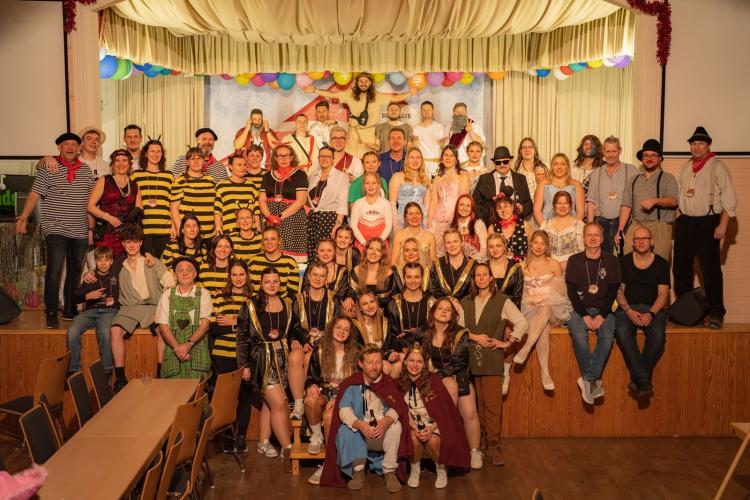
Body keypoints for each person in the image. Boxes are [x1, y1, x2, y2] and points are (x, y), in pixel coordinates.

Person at [16, 132, 94, 328]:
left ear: (79, 148)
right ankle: (51, 311)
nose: (70, 147)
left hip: (80, 229)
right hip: (55, 228)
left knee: (75, 272)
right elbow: (35, 194)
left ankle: (69, 308)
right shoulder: (48, 167)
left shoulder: (85, 170)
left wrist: (91, 228)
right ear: (59, 147)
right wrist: (24, 216)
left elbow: (90, 202)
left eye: (74, 144)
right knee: (54, 271)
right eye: (66, 144)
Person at [459, 263, 527, 465]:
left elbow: (522, 322)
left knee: (492, 406)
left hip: (492, 359)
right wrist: (475, 337)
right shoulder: (465, 302)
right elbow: (458, 330)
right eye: (477, 275)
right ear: (473, 279)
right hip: (469, 360)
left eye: (485, 275)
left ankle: (493, 446)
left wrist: (508, 342)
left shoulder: (502, 301)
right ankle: (477, 445)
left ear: (491, 278)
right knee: (475, 407)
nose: (481, 278)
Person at [320, 345, 412, 491]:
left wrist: (385, 422)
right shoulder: (351, 383)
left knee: (396, 426)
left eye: (378, 362)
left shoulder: (388, 383)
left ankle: (389, 471)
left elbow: (397, 408)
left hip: (382, 434)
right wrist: (360, 424)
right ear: (361, 363)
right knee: (345, 429)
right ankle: (358, 471)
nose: (374, 367)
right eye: (370, 363)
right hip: (360, 435)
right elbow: (344, 410)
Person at [236, 267, 303, 466]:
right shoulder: (250, 305)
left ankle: (263, 442)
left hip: (282, 359)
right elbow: (241, 338)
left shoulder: (287, 304)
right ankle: (287, 448)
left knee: (269, 404)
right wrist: (244, 365)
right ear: (261, 283)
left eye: (275, 281)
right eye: (267, 281)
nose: (272, 285)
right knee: (279, 403)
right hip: (260, 361)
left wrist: (295, 339)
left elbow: (294, 329)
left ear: (280, 283)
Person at [675, 127, 737, 328]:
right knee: (680, 270)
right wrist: (679, 220)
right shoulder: (685, 168)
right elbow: (679, 197)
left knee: (710, 271)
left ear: (708, 145)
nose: (696, 147)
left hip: (708, 222)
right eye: (693, 143)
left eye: (701, 143)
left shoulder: (717, 166)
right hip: (685, 222)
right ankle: (685, 312)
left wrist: (722, 225)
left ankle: (716, 312)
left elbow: (729, 199)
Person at [414, 297, 482, 469]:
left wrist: (437, 375)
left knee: (470, 412)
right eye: (440, 308)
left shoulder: (460, 333)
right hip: (432, 376)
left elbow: (458, 363)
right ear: (433, 312)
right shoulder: (423, 331)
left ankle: (474, 451)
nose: (444, 311)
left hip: (457, 375)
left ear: (452, 315)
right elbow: (410, 345)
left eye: (448, 309)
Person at [110, 224, 175, 391]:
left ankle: (161, 372)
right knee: (115, 331)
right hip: (129, 308)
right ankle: (120, 377)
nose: (132, 245)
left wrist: (164, 303)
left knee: (162, 329)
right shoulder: (118, 265)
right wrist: (89, 274)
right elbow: (102, 273)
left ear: (140, 243)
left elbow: (170, 283)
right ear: (123, 244)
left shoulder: (152, 262)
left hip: (152, 307)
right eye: (128, 241)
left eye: (135, 241)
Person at [565, 223, 621, 404]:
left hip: (605, 310)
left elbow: (613, 291)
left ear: (602, 239)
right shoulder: (574, 260)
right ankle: (593, 381)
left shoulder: (611, 261)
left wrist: (602, 315)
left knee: (607, 337)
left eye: (597, 235)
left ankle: (587, 378)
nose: (593, 238)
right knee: (579, 337)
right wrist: (585, 316)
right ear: (584, 238)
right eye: (589, 235)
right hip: (578, 310)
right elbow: (572, 293)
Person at [400, 345, 470, 488]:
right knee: (413, 437)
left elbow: (444, 413)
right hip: (414, 424)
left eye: (419, 361)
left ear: (424, 365)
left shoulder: (433, 380)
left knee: (431, 440)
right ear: (405, 362)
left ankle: (441, 468)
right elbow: (403, 411)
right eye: (411, 360)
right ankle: (415, 469)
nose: (414, 365)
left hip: (435, 425)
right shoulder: (401, 382)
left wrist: (431, 429)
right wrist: (414, 427)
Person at [304, 315, 361, 484]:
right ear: (331, 329)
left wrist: (340, 398)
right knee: (310, 400)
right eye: (338, 327)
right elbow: (310, 376)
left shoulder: (356, 352)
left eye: (346, 329)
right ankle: (317, 437)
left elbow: (360, 381)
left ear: (350, 334)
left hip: (347, 395)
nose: (342, 331)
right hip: (325, 392)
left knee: (330, 416)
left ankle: (328, 463)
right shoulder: (320, 350)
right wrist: (311, 385)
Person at [308, 72, 417, 158]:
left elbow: (395, 98)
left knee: (368, 163)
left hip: (369, 135)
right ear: (357, 83)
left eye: (366, 81)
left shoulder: (377, 96)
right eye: (361, 81)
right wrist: (315, 90)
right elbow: (333, 94)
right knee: (350, 164)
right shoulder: (350, 94)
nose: (363, 83)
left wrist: (410, 93)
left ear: (370, 83)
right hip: (353, 135)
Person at [615, 227, 670, 397]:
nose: (641, 241)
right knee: (622, 331)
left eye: (644, 238)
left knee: (658, 335)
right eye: (637, 239)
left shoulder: (662, 263)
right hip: (628, 308)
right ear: (633, 243)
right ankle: (644, 379)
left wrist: (651, 314)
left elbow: (663, 294)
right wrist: (628, 311)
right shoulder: (624, 262)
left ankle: (639, 379)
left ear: (651, 241)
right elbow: (619, 290)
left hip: (653, 309)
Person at [515, 231, 571, 391]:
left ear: (547, 246)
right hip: (530, 308)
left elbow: (561, 293)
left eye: (543, 243)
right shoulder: (521, 265)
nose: (539, 246)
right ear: (530, 244)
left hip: (553, 308)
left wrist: (545, 298)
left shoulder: (553, 264)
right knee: (543, 327)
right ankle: (545, 374)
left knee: (545, 309)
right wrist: (531, 300)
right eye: (536, 242)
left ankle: (526, 348)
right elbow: (519, 293)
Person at [209, 260, 253, 453]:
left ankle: (240, 436)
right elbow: (214, 328)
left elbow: (254, 329)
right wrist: (239, 324)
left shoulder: (253, 299)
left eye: (241, 274)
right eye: (234, 274)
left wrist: (233, 321)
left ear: (247, 276)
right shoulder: (219, 297)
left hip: (245, 355)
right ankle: (228, 437)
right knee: (226, 398)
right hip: (222, 354)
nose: (238, 278)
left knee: (245, 396)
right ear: (229, 276)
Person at [289, 261, 341, 420]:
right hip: (305, 341)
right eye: (315, 275)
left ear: (326, 278)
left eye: (322, 276)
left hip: (328, 343)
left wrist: (319, 341)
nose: (318, 279)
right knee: (294, 356)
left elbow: (339, 325)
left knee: (308, 357)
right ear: (308, 276)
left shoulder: (333, 298)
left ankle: (309, 403)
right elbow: (294, 326)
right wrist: (300, 340)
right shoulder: (299, 299)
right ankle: (298, 403)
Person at [615, 139, 678, 262]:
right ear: (642, 158)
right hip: (636, 225)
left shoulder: (668, 178)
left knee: (659, 264)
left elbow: (673, 201)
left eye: (653, 155)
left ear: (659, 159)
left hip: (660, 227)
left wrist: (655, 201)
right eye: (646, 155)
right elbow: (626, 206)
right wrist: (620, 230)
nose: (649, 158)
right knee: (628, 261)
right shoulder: (633, 180)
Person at [155, 256, 211, 379]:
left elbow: (205, 325)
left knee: (197, 389)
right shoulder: (167, 295)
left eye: (189, 270)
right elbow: (163, 326)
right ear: (175, 274)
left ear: (195, 274)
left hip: (197, 351)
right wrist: (177, 348)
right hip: (173, 352)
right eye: (180, 270)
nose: (184, 273)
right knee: (173, 390)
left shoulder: (204, 294)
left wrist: (187, 345)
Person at [66, 245, 118, 375]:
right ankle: (74, 370)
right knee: (72, 331)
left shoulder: (116, 275)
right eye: (100, 260)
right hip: (90, 313)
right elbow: (73, 298)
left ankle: (107, 369)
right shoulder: (90, 277)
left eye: (107, 260)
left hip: (108, 312)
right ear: (95, 261)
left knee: (105, 332)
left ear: (111, 261)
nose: (103, 263)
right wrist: (87, 296)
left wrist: (114, 300)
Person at [586, 136, 638, 254]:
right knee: (601, 257)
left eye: (614, 151)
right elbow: (591, 202)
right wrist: (590, 226)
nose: (610, 155)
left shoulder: (632, 170)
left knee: (623, 257)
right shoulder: (597, 173)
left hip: (624, 223)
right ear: (603, 152)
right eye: (608, 151)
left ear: (620, 151)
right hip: (601, 222)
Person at [486, 233, 524, 394]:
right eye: (491, 246)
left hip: (510, 311)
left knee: (509, 334)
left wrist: (509, 323)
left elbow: (517, 295)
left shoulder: (515, 267)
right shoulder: (483, 267)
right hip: (488, 310)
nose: (495, 249)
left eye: (498, 245)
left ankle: (506, 373)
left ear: (504, 247)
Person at [259, 145, 309, 262]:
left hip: (292, 219)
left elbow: (301, 201)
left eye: (286, 155)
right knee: (271, 252)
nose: (283, 158)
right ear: (275, 158)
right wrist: (269, 216)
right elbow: (262, 200)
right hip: (269, 219)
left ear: (292, 157)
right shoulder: (267, 176)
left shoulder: (300, 174)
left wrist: (280, 217)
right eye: (280, 156)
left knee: (289, 257)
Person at [87, 149, 142, 257]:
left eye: (124, 160)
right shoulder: (104, 180)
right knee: (105, 264)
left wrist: (132, 217)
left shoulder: (135, 185)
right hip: (106, 234)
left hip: (127, 237)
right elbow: (90, 206)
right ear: (112, 164)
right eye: (117, 160)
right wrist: (107, 217)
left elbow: (139, 208)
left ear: (129, 164)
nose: (121, 164)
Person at [386, 262, 434, 376]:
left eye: (417, 277)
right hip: (401, 352)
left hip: (427, 353)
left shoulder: (432, 302)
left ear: (422, 278)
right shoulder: (393, 303)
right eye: (409, 277)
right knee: (397, 367)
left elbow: (434, 330)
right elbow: (391, 334)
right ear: (404, 278)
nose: (413, 281)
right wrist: (400, 352)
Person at [131, 139, 174, 258]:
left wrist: (174, 226)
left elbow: (172, 203)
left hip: (165, 230)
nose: (156, 154)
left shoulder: (169, 176)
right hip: (144, 230)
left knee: (164, 265)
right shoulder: (136, 175)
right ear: (146, 154)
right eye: (152, 151)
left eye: (159, 151)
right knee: (146, 265)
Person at [474, 146, 533, 226]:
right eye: (498, 163)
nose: (502, 165)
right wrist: (483, 222)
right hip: (490, 224)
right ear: (494, 163)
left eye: (505, 162)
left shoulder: (521, 179)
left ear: (510, 161)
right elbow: (476, 203)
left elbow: (529, 203)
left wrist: (522, 208)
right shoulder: (484, 179)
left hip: (516, 224)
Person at [307, 146, 349, 256]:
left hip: (331, 220)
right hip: (313, 220)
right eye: (322, 156)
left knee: (329, 253)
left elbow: (343, 202)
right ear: (318, 158)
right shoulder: (312, 176)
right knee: (315, 254)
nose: (324, 159)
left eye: (328, 156)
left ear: (333, 159)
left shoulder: (341, 176)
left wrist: (338, 224)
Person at [428, 145, 470, 255]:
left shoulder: (463, 176)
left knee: (454, 252)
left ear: (456, 159)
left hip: (454, 220)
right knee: (437, 254)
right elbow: (434, 202)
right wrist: (429, 224)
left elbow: (462, 201)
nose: (448, 158)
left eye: (451, 156)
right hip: (437, 221)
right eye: (446, 155)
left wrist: (458, 221)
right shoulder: (437, 178)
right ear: (441, 159)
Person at [169, 147, 217, 239]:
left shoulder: (211, 181)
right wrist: (180, 231)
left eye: (199, 158)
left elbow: (216, 207)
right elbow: (174, 209)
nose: (196, 161)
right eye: (192, 159)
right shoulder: (180, 181)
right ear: (187, 162)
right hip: (189, 235)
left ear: (204, 161)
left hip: (210, 235)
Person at [303, 239, 354, 313]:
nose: (325, 254)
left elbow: (342, 296)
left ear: (334, 252)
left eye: (329, 251)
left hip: (336, 311)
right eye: (322, 250)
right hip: (313, 310)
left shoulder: (343, 271)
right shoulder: (310, 269)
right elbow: (305, 292)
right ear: (317, 252)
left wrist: (349, 298)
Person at [534, 152, 585, 225]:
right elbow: (536, 210)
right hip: (547, 224)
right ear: (552, 167)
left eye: (563, 164)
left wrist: (573, 228)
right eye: (556, 164)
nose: (559, 167)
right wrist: (545, 227)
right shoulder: (543, 184)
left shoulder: (576, 185)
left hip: (571, 225)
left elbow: (581, 212)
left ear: (567, 167)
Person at [248, 226, 300, 298]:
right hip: (257, 303)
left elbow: (292, 294)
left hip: (282, 303)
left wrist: (277, 303)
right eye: (266, 239)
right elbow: (249, 290)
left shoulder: (290, 263)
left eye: (273, 239)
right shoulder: (253, 262)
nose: (269, 242)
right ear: (262, 242)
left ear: (279, 241)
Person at [540, 190, 585, 271]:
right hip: (550, 269)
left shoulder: (579, 225)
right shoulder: (545, 225)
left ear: (570, 205)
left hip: (573, 268)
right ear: (554, 205)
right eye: (559, 203)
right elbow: (541, 250)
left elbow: (583, 252)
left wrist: (568, 263)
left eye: (566, 203)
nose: (562, 206)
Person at [214, 155, 258, 235]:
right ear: (230, 167)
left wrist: (258, 227)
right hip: (229, 232)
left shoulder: (251, 186)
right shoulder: (221, 185)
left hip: (250, 233)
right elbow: (217, 210)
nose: (243, 167)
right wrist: (218, 227)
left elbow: (256, 209)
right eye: (239, 165)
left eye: (244, 165)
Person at [389, 147, 431, 230]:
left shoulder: (425, 179)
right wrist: (395, 224)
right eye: (412, 157)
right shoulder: (397, 176)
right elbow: (392, 203)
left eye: (418, 157)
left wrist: (427, 222)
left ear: (421, 161)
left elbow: (427, 204)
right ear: (407, 160)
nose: (415, 160)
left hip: (421, 219)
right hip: (403, 218)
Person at [350, 172, 393, 252]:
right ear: (363, 186)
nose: (370, 186)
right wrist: (363, 242)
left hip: (380, 243)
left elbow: (388, 226)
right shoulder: (358, 203)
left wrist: (379, 242)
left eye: (374, 183)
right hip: (361, 244)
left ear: (379, 185)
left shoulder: (385, 203)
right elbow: (353, 226)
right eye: (367, 183)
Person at [430, 229, 476, 301]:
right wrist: (449, 302)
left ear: (461, 242)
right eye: (448, 242)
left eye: (455, 241)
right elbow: (434, 290)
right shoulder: (437, 265)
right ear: (444, 245)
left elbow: (476, 291)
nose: (452, 245)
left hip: (467, 305)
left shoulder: (473, 264)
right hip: (444, 305)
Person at [350, 238, 398, 307]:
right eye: (371, 248)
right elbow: (352, 295)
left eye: (378, 250)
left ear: (382, 254)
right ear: (366, 251)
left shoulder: (389, 274)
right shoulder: (356, 271)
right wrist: (349, 299)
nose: (374, 252)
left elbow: (393, 300)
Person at [488, 186, 533, 262]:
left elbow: (532, 250)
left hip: (523, 265)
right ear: (496, 211)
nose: (503, 210)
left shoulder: (525, 225)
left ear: (512, 207)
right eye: (499, 208)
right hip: (501, 266)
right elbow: (490, 253)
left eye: (505, 206)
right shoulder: (492, 229)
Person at [390, 202, 437, 268]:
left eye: (417, 213)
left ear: (422, 216)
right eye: (410, 214)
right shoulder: (399, 236)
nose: (414, 217)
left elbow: (433, 262)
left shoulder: (430, 236)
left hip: (424, 273)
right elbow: (393, 262)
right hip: (402, 273)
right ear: (405, 217)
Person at [412, 101, 447, 179]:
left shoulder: (440, 127)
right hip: (423, 165)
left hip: (438, 164)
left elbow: (445, 148)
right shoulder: (416, 129)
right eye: (424, 110)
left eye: (429, 110)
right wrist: (414, 144)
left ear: (433, 111)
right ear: (421, 112)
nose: (426, 112)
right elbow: (415, 149)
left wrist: (442, 146)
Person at [451, 194, 488, 262]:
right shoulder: (452, 226)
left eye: (468, 206)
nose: (464, 208)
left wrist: (474, 261)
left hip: (477, 262)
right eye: (461, 205)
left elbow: (484, 248)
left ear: (472, 209)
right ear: (457, 207)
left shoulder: (478, 224)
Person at [513, 137, 548, 207]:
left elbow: (553, 187)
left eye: (530, 147)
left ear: (535, 150)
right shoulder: (515, 169)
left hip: (542, 207)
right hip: (523, 208)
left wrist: (545, 182)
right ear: (520, 151)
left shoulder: (545, 167)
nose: (527, 150)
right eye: (524, 147)